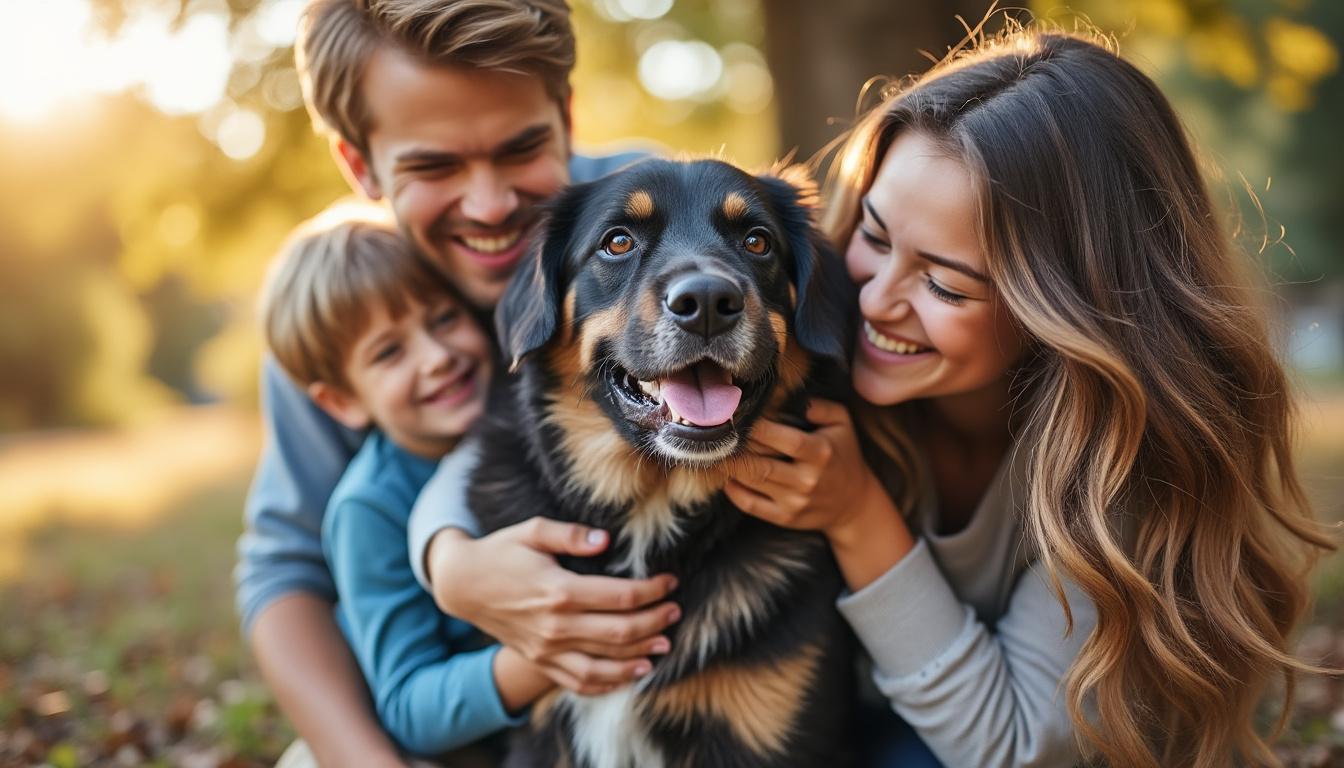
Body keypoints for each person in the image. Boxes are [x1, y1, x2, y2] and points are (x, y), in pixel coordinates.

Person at [718, 28, 1333, 768]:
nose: (876, 301)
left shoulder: (1125, 456)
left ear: (1068, 308)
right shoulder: (797, 367)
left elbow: (1008, 748)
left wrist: (857, 514)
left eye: (945, 284)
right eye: (875, 238)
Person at [235, 2, 671, 765]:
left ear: (565, 116)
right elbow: (285, 569)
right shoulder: (346, 317)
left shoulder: (660, 220)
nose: (491, 205)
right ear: (359, 164)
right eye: (434, 166)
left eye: (521, 149)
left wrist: (446, 555)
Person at [259, 208, 554, 762]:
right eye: (389, 352)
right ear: (341, 401)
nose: (437, 357)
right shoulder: (368, 510)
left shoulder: (535, 414)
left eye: (443, 319)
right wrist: (544, 658)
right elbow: (408, 708)